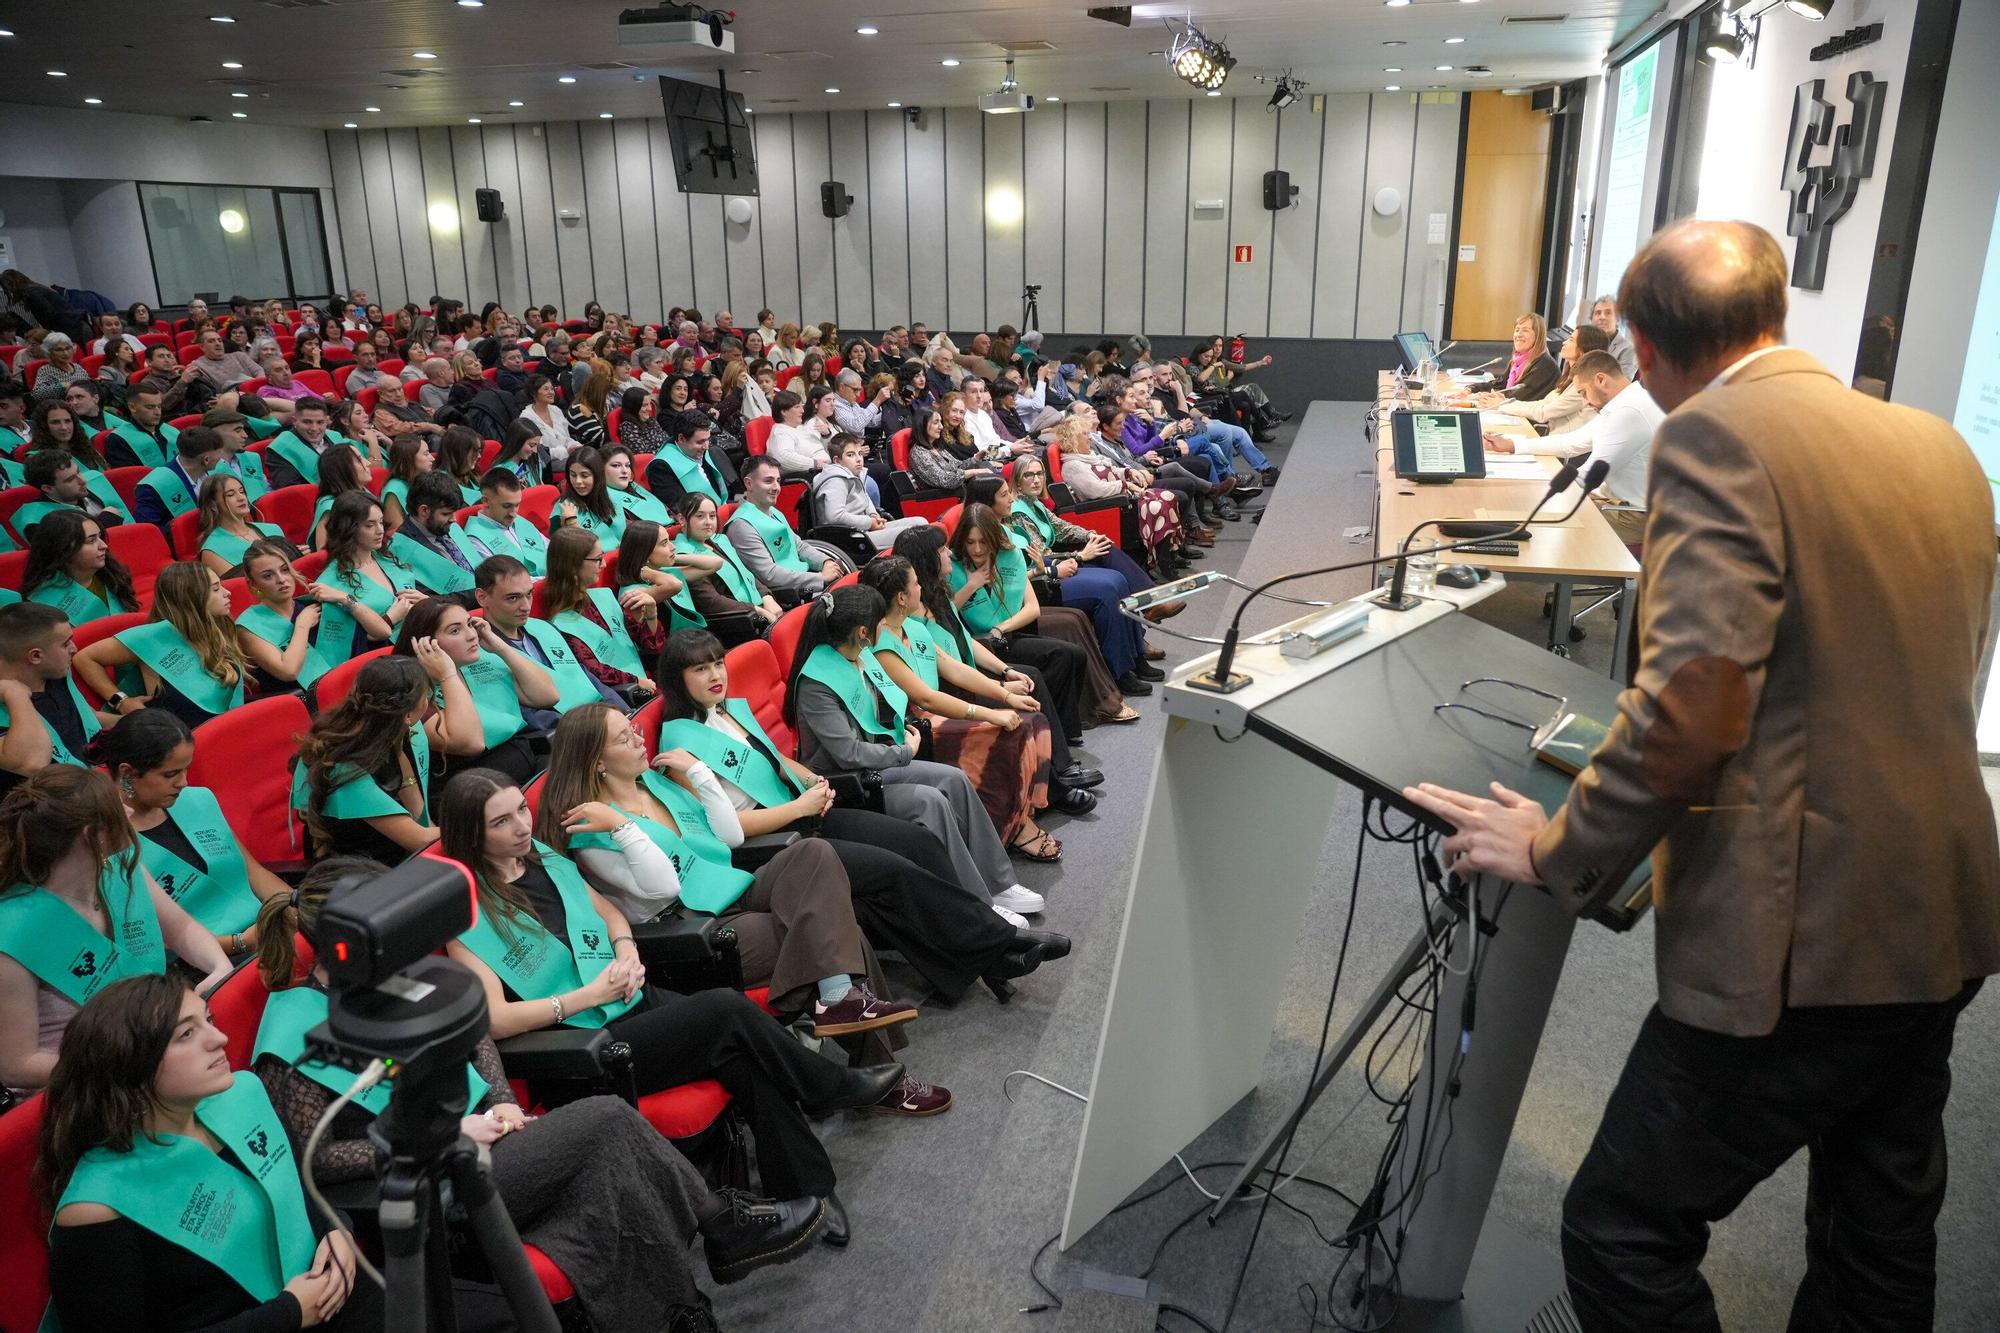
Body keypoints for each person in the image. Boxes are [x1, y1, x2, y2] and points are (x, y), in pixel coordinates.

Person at [1404, 219, 2000, 1333]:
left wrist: (1549, 849)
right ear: (1770, 312)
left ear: (1640, 345)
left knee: (1621, 1229)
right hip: (1940, 908)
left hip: (1802, 939)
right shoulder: (1939, 447)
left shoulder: (1717, 438)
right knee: (1875, 1230)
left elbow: (1692, 708)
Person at [252, 859, 827, 1323]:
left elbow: (475, 1038)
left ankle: (681, 1313)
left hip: (497, 1139)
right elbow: (314, 1161)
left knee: (606, 1184)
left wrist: (501, 1096)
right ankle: (720, 1224)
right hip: (435, 1182)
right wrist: (441, 1137)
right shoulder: (291, 1034)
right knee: (605, 1120)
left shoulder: (399, 982)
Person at [438, 768, 909, 1212]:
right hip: (581, 1049)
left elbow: (611, 915)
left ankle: (808, 1194)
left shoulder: (543, 860)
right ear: (471, 835)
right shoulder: (465, 915)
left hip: (631, 1002)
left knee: (744, 1058)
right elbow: (495, 1021)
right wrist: (589, 996)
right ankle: (829, 1087)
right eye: (502, 821)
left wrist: (625, 951)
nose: (522, 825)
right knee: (728, 1012)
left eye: (522, 809)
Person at [656, 629, 1066, 1001]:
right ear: (678, 679)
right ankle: (1000, 946)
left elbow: (776, 759)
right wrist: (798, 807)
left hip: (803, 813)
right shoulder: (679, 746)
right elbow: (720, 830)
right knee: (892, 873)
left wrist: (815, 781)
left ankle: (992, 956)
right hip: (770, 845)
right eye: (700, 668)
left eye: (718, 663)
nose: (716, 674)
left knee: (918, 843)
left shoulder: (730, 710)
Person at [539, 703, 930, 1047]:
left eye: (634, 729)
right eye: (624, 738)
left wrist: (700, 774)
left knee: (813, 852)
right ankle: (871, 1056)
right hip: (693, 927)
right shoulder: (591, 828)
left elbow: (730, 835)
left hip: (731, 888)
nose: (639, 740)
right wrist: (622, 829)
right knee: (836, 936)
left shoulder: (655, 783)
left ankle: (838, 1004)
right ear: (597, 762)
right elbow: (664, 888)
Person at [37, 974, 382, 1331]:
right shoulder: (95, 1209)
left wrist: (336, 1229)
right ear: (131, 1067)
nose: (220, 1039)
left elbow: (300, 1194)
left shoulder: (243, 1097)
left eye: (209, 1020)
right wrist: (286, 1314)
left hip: (323, 1297)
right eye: (187, 1034)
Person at [784, 586, 1047, 923]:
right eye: (879, 623)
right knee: (929, 801)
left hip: (877, 760)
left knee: (954, 779)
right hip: (847, 783)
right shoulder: (817, 683)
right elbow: (848, 754)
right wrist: (903, 752)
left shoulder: (856, 655)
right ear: (864, 632)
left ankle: (999, 883)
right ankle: (977, 907)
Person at [0, 768, 232, 1096]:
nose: (129, 811)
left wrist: (219, 966)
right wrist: (133, 1062)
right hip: (84, 1093)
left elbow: (183, 929)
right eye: (117, 808)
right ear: (92, 835)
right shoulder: (10, 935)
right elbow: (16, 1064)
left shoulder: (119, 869)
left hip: (156, 1061)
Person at [860, 555, 1083, 860]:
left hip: (941, 713)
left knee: (1033, 720)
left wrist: (1006, 696)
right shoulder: (882, 644)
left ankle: (1016, 815)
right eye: (915, 584)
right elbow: (925, 699)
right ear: (901, 597)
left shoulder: (911, 627)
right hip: (917, 727)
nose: (921, 588)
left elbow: (953, 668)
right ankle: (1015, 829)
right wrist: (992, 713)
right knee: (1009, 733)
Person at [90, 708, 285, 951]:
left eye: (186, 769)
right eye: (170, 774)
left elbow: (253, 872)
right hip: (199, 964)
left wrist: (291, 907)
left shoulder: (197, 800)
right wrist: (240, 943)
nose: (184, 782)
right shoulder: (107, 842)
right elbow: (143, 940)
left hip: (262, 931)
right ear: (127, 773)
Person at [294, 651, 466, 862]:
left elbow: (421, 818)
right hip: (361, 875)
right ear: (408, 714)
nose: (429, 702)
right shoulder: (342, 769)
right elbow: (420, 839)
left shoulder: (386, 731)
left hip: (395, 854)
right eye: (426, 697)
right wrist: (483, 823)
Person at [75, 561, 249, 729]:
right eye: (216, 589)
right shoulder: (152, 636)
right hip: (178, 739)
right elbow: (84, 658)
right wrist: (121, 701)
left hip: (225, 727)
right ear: (190, 598)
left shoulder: (217, 626)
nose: (227, 593)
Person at [1052, 416, 1192, 573]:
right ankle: (1164, 562)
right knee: (1158, 505)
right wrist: (1125, 484)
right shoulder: (1073, 466)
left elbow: (1112, 470)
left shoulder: (1088, 457)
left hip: (1125, 497)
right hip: (1113, 506)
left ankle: (1169, 553)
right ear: (1073, 438)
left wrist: (1129, 472)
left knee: (1169, 497)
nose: (1090, 437)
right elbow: (1096, 490)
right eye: (1085, 434)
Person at [0, 602, 111, 788]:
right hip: (45, 808)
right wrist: (15, 695)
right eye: (66, 643)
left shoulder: (54, 673)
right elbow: (33, 763)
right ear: (35, 656)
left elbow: (83, 718)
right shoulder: (12, 696)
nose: (74, 649)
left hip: (95, 781)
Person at [314, 490, 422, 666]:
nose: (380, 530)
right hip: (383, 665)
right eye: (370, 525)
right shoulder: (330, 584)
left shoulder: (387, 558)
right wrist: (390, 619)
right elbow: (348, 646)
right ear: (348, 528)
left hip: (418, 646)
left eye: (381, 522)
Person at [725, 455, 851, 601]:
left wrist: (825, 562)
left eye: (778, 481)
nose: (776, 488)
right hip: (790, 595)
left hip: (807, 580)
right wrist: (820, 577)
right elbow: (769, 575)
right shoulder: (742, 526)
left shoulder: (773, 512)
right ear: (749, 483)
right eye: (768, 481)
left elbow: (799, 546)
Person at [675, 492, 782, 643]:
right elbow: (711, 602)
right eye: (700, 516)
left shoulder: (718, 541)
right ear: (681, 519)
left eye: (712, 516)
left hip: (756, 610)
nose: (708, 522)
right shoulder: (683, 555)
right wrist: (756, 610)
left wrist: (767, 597)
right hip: (734, 624)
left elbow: (745, 573)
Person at [233, 538, 330, 697]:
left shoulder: (310, 605)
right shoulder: (247, 626)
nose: (281, 579)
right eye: (268, 576)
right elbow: (288, 671)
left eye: (284, 570)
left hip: (336, 687)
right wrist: (302, 625)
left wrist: (344, 599)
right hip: (297, 703)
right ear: (252, 585)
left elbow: (379, 633)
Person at [1479, 323, 1611, 432]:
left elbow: (1543, 413)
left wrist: (1502, 405)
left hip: (1562, 450)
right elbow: (1543, 403)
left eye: (1571, 340)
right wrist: (1505, 403)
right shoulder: (1570, 377)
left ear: (1584, 348)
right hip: (1554, 441)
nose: (1564, 342)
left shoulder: (1583, 384)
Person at [23, 510, 140, 628]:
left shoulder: (110, 573)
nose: (104, 546)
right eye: (91, 541)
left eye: (100, 537)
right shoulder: (42, 603)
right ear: (63, 549)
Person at [810, 433, 925, 552]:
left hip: (864, 529)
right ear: (837, 460)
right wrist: (869, 523)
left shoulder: (854, 474)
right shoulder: (835, 480)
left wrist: (873, 515)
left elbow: (865, 498)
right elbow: (834, 516)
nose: (859, 459)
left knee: (920, 522)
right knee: (917, 535)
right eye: (851, 455)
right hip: (850, 538)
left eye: (860, 454)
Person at [387, 469, 484, 597]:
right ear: (424, 510)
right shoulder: (400, 549)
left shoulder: (445, 527)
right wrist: (486, 594)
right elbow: (429, 601)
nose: (454, 519)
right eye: (446, 514)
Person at [132, 424, 228, 529]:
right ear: (206, 460)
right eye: (219, 454)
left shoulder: (217, 471)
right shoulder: (153, 488)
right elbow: (152, 532)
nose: (221, 458)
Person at [194, 472, 289, 577]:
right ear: (212, 504)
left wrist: (298, 554)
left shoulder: (273, 529)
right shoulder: (212, 550)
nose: (241, 498)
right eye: (230, 494)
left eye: (242, 491)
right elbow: (240, 588)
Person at [461, 467, 551, 575]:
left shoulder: (520, 522)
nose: (513, 513)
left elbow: (552, 551)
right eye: (506, 506)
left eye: (517, 505)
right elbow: (500, 583)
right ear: (485, 501)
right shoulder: (475, 538)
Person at [18, 448, 129, 536]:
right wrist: (107, 521)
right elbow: (71, 554)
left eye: (78, 472)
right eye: (70, 479)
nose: (83, 480)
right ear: (47, 488)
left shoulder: (92, 485)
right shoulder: (37, 522)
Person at [646, 410, 733, 510]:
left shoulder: (700, 451)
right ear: (681, 438)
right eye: (700, 442)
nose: (706, 447)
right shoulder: (661, 466)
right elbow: (680, 508)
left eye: (707, 439)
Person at [259, 395, 338, 491]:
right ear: (294, 421)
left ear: (327, 421)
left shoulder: (336, 437)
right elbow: (293, 492)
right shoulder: (280, 449)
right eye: (307, 422)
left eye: (320, 422)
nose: (314, 428)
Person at [555, 444, 626, 552]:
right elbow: (570, 552)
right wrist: (571, 523)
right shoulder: (563, 507)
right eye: (573, 475)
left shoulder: (612, 495)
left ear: (598, 475)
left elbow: (623, 535)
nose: (578, 481)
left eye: (584, 475)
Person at [101, 382, 179, 469]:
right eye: (150, 407)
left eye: (159, 406)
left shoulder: (170, 430)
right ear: (132, 407)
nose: (157, 412)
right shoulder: (118, 440)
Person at [602, 441, 672, 527]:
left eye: (627, 465)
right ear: (600, 469)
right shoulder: (602, 501)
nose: (624, 471)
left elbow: (669, 513)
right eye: (616, 465)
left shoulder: (633, 487)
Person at [1497, 312, 1560, 401]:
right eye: (1517, 330)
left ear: (1538, 335)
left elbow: (1520, 397)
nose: (1519, 335)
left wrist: (1494, 397)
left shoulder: (1545, 365)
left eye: (1525, 330)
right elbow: (1500, 383)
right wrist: (1472, 389)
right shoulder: (1517, 361)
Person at [30, 332, 91, 403]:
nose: (66, 353)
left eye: (68, 348)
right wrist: (61, 386)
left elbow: (88, 387)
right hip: (62, 408)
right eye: (59, 350)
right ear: (49, 352)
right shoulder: (46, 370)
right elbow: (37, 394)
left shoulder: (77, 367)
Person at [1590, 293, 1640, 379]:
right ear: (1591, 319)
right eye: (1598, 313)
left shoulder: (1628, 349)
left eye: (1608, 313)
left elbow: (1622, 383)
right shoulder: (1585, 344)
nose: (1602, 317)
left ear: (1617, 319)